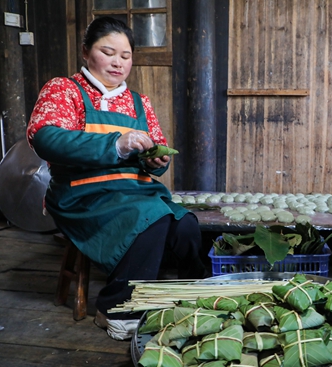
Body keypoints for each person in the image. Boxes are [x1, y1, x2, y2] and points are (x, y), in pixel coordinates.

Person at [27, 17, 209, 341]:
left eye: (125, 56)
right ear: (86, 52)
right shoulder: (64, 90)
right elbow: (45, 138)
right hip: (81, 194)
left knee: (186, 225)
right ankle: (114, 307)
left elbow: (154, 161)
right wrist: (115, 143)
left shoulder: (140, 102)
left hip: (133, 191)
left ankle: (190, 297)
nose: (117, 62)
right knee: (148, 216)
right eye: (107, 52)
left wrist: (156, 162)